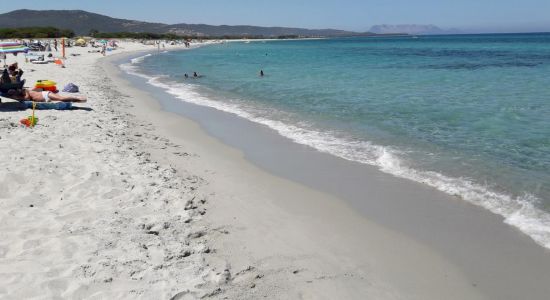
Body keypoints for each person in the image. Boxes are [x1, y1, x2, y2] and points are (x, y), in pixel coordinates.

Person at [7, 88, 87, 103]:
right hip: (45, 98)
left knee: (62, 98)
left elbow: (27, 98)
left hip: (45, 94)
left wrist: (18, 98)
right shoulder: (21, 95)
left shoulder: (24, 91)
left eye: (13, 95)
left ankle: (78, 98)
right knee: (62, 100)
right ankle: (76, 100)